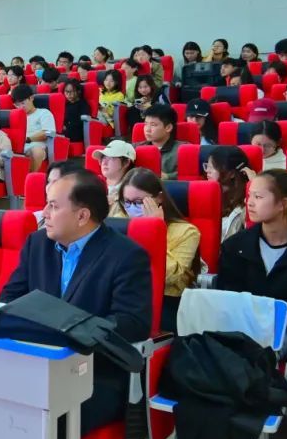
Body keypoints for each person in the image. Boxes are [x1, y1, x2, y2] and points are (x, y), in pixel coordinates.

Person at [0, 170, 151, 438]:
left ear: (82, 216)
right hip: (37, 363)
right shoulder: (38, 244)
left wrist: (71, 330)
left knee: (34, 424)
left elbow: (132, 323)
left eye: (53, 206)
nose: (44, 213)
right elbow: (9, 299)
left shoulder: (126, 255)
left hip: (93, 373)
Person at [217, 169, 287, 350]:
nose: (248, 202)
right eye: (249, 195)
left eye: (258, 197)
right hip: (240, 329)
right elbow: (227, 295)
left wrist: (279, 318)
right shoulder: (235, 246)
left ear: (283, 204)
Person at [110, 168, 201, 332]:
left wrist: (155, 231)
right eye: (127, 202)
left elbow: (170, 277)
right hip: (121, 295)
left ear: (159, 198)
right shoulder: (118, 224)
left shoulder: (187, 232)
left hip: (164, 301)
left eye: (139, 202)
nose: (132, 208)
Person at [205, 146, 250, 242]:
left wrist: (253, 183)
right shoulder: (205, 196)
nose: (207, 171)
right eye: (207, 166)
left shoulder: (245, 205)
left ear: (231, 174)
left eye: (212, 167)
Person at [11, 84, 55, 173]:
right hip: (17, 146)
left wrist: (28, 139)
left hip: (35, 145)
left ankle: (31, 177)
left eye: (23, 103)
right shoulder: (15, 116)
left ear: (31, 98)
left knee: (37, 151)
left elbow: (47, 133)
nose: (20, 107)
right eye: (17, 105)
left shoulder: (43, 113)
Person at [136, 104, 181, 179]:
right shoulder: (137, 148)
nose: (147, 129)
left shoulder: (182, 150)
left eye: (153, 125)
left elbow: (189, 174)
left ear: (168, 128)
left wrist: (168, 176)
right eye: (146, 124)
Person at [94, 140, 136, 206]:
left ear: (126, 162)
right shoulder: (94, 183)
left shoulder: (133, 190)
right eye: (103, 158)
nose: (104, 163)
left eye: (112, 157)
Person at [61, 79, 89, 144]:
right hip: (65, 131)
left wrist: (66, 127)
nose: (68, 94)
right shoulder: (65, 104)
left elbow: (82, 122)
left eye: (71, 91)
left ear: (78, 91)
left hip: (77, 132)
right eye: (66, 91)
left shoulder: (83, 104)